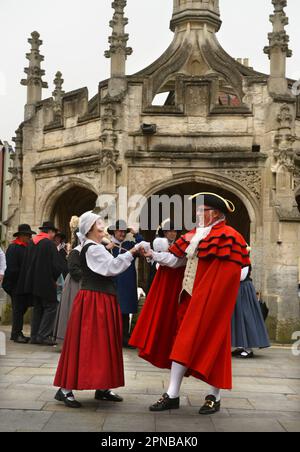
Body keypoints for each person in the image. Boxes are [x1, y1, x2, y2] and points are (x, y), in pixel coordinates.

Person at [130, 193, 251, 415]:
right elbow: (176, 261)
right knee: (181, 343)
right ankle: (173, 394)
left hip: (213, 306)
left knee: (213, 345)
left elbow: (239, 272)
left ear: (214, 213)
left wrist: (215, 294)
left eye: (201, 210)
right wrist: (153, 255)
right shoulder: (193, 235)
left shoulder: (230, 236)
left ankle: (215, 396)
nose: (196, 214)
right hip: (187, 300)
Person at [53, 211, 139, 408]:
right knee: (86, 342)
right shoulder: (92, 248)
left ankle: (102, 386)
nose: (102, 225)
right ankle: (65, 389)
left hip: (101, 298)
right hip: (94, 300)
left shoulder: (96, 246)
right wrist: (132, 252)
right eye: (98, 222)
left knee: (103, 343)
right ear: (90, 228)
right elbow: (112, 267)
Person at [18, 221, 63, 346]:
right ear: (50, 232)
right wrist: (54, 279)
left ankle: (34, 336)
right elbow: (56, 266)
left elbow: (25, 263)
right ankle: (43, 335)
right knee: (52, 306)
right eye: (54, 232)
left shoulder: (32, 242)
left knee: (37, 308)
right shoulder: (49, 244)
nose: (54, 235)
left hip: (32, 282)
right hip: (46, 282)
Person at [108, 220, 143, 348]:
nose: (122, 233)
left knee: (125, 311)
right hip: (114, 282)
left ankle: (124, 338)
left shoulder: (129, 245)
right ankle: (112, 338)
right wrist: (107, 249)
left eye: (124, 231)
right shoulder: (109, 246)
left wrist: (136, 234)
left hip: (128, 282)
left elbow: (143, 247)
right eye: (119, 231)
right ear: (114, 232)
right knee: (112, 311)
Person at [2, 224, 36, 343]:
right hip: (16, 284)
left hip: (23, 284)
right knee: (18, 309)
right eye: (27, 235)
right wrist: (14, 284)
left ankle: (17, 332)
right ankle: (16, 334)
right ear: (21, 236)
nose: (29, 237)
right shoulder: (14, 247)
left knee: (21, 308)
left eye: (30, 235)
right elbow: (11, 269)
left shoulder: (26, 247)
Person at [231, 266, 270, 359]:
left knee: (246, 318)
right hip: (238, 289)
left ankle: (248, 349)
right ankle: (241, 346)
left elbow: (241, 276)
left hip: (244, 290)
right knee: (238, 318)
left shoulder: (245, 261)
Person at [53, 229, 83, 343]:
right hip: (75, 284)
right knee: (71, 309)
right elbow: (74, 270)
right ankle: (69, 338)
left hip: (83, 283)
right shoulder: (76, 251)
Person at [146, 219, 178, 294]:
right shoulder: (159, 242)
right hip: (159, 273)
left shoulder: (177, 245)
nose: (173, 233)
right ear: (165, 233)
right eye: (170, 231)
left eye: (174, 231)